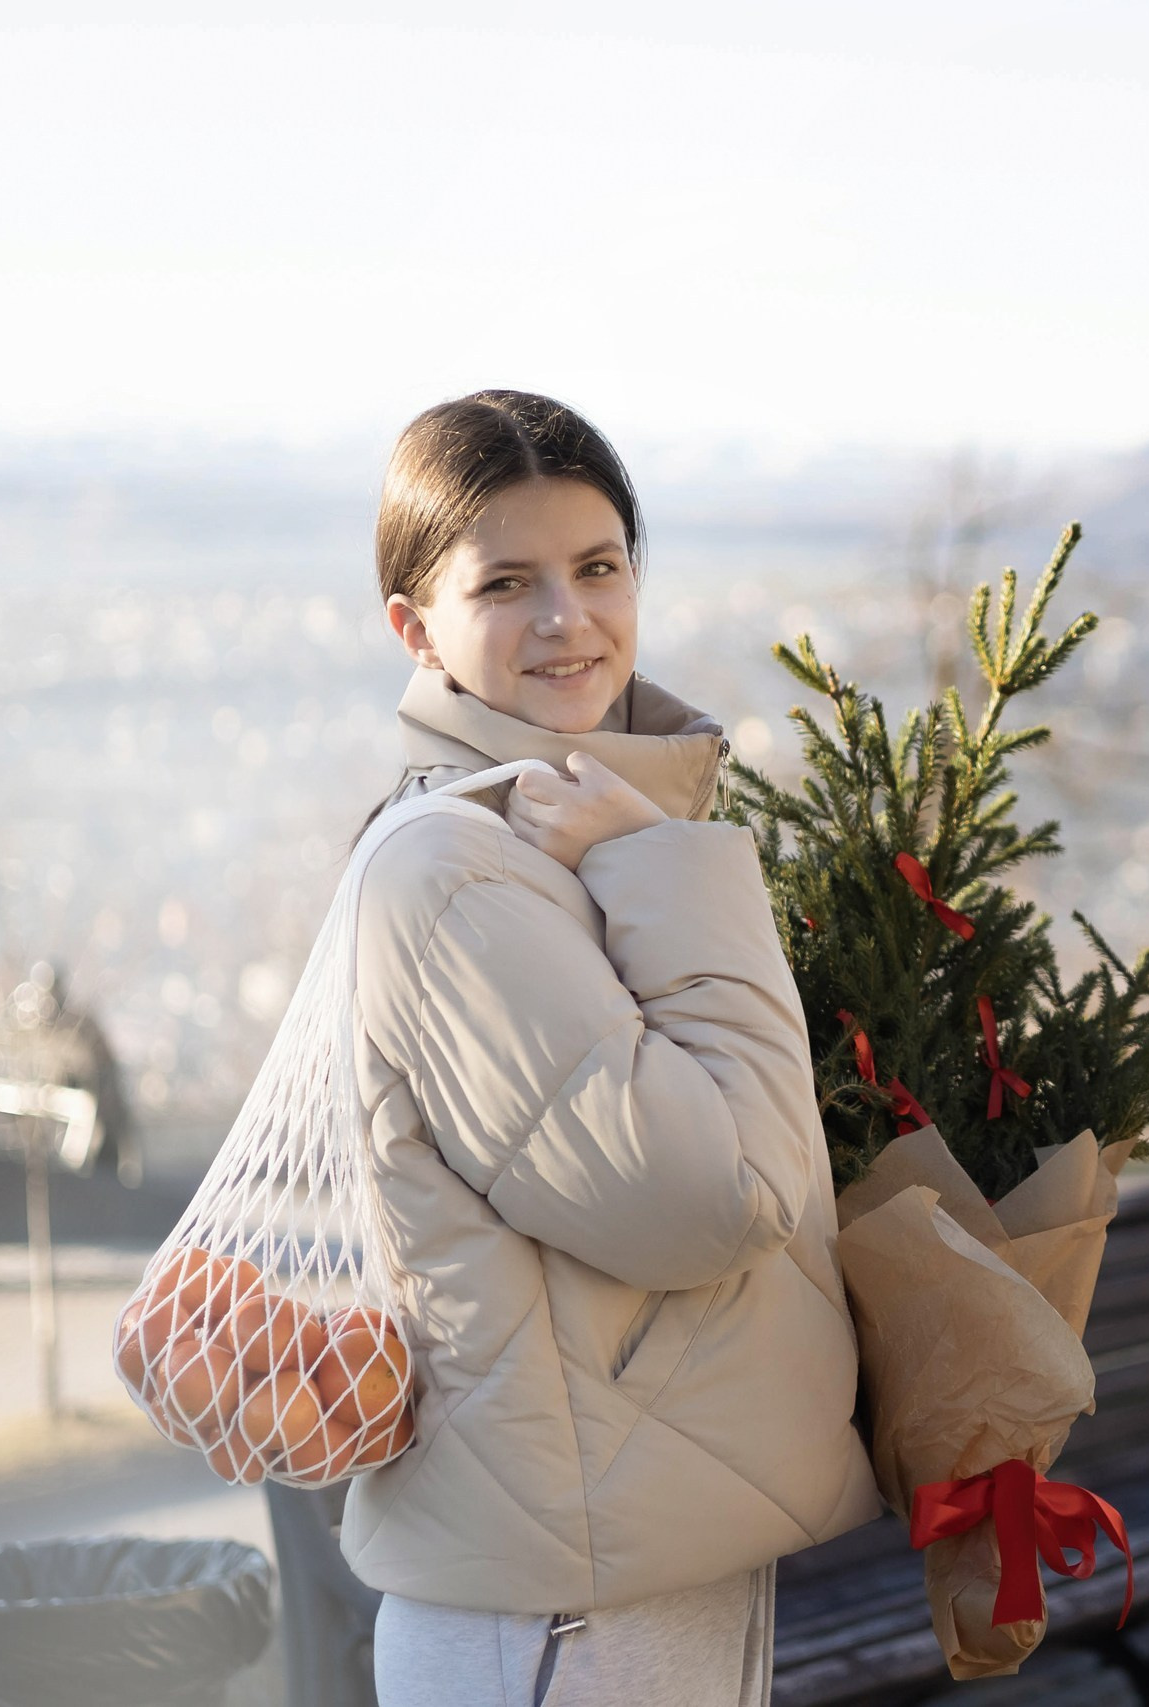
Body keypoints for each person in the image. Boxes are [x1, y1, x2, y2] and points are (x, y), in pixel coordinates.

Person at [344, 391, 878, 1706]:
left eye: (597, 568)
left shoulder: (576, 833)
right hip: (561, 1606)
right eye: (506, 582)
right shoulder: (459, 874)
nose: (565, 620)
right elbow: (708, 1201)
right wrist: (675, 870)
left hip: (646, 1547)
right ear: (416, 628)